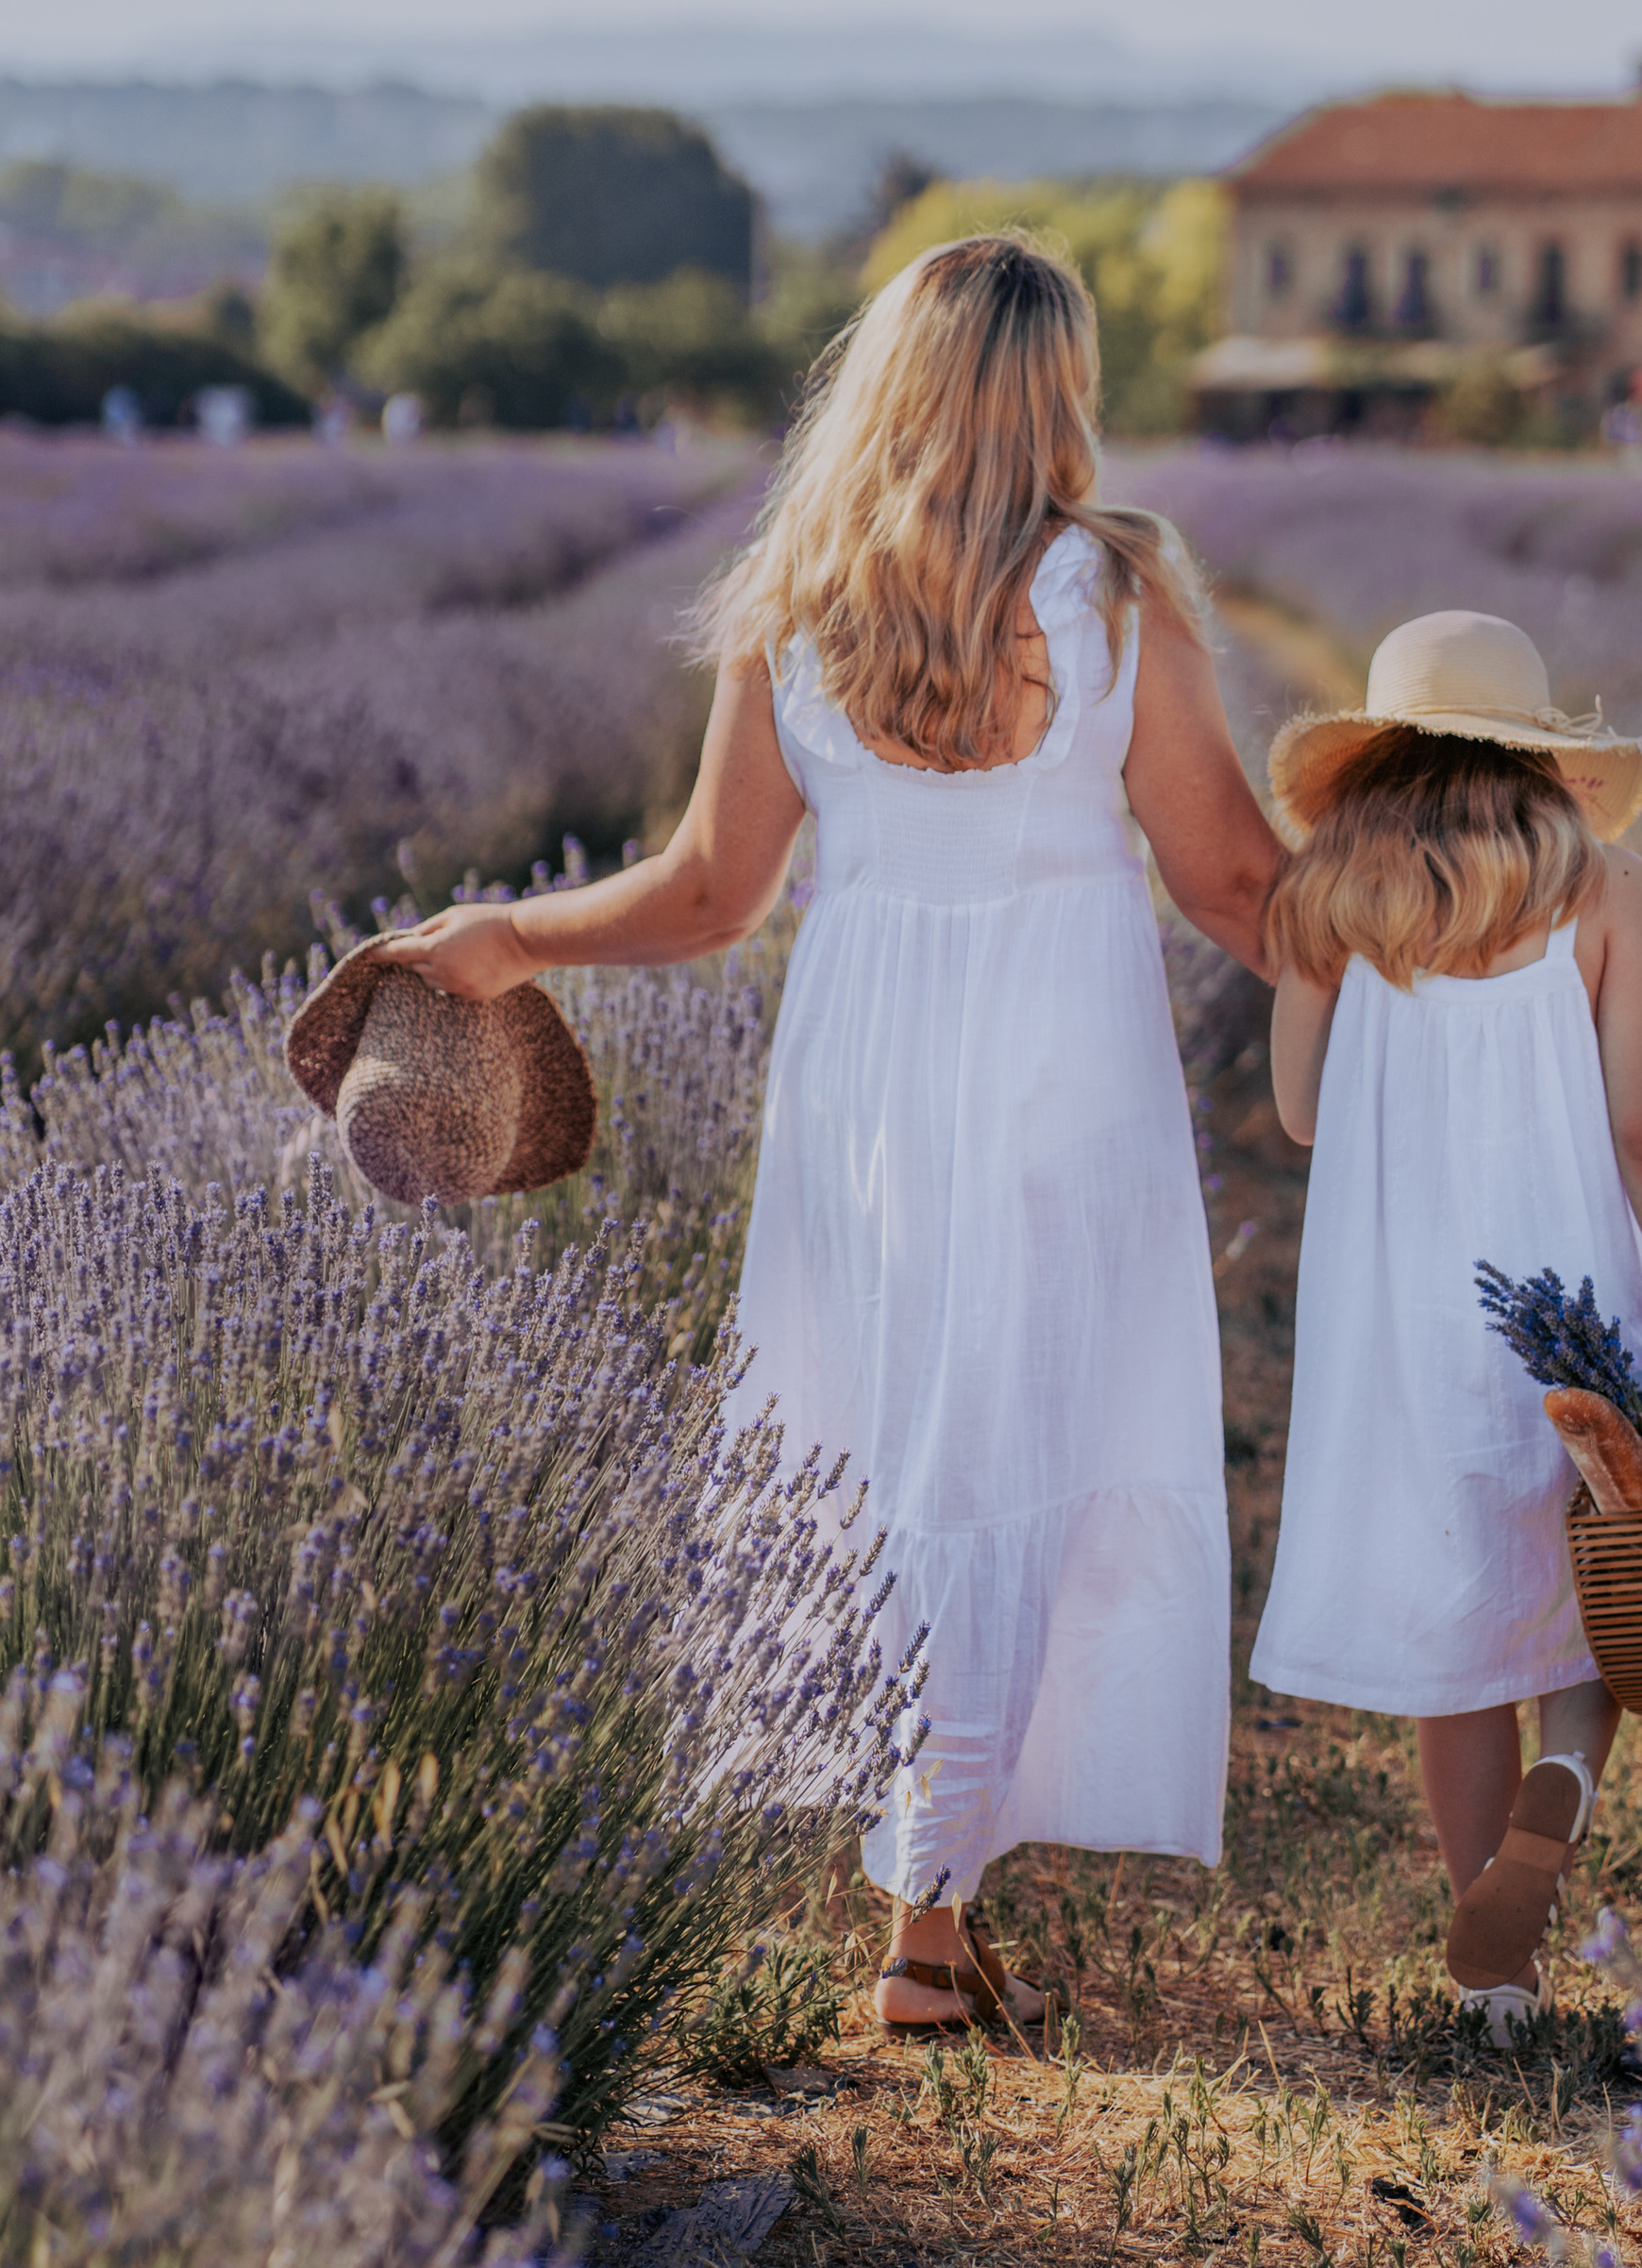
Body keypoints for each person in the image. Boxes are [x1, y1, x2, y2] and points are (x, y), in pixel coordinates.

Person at [380, 233, 1282, 2030]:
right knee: (1014, 1430)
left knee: (902, 1439)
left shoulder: (799, 593)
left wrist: (510, 933)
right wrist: (1436, 958)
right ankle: (927, 1915)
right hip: (1064, 1065)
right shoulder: (1115, 590)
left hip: (865, 1069)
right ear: (1058, 389)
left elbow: (709, 894)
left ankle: (927, 1889)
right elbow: (1237, 885)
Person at [1246, 610, 1642, 2036]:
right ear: (1540, 750)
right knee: (1606, 1576)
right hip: (1564, 1304)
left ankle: (1496, 1982)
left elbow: (1299, 1112)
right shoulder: (1606, 886)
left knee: (1458, 1640)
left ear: (1378, 749)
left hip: (1401, 1311)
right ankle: (1556, 1801)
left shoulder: (1327, 890)